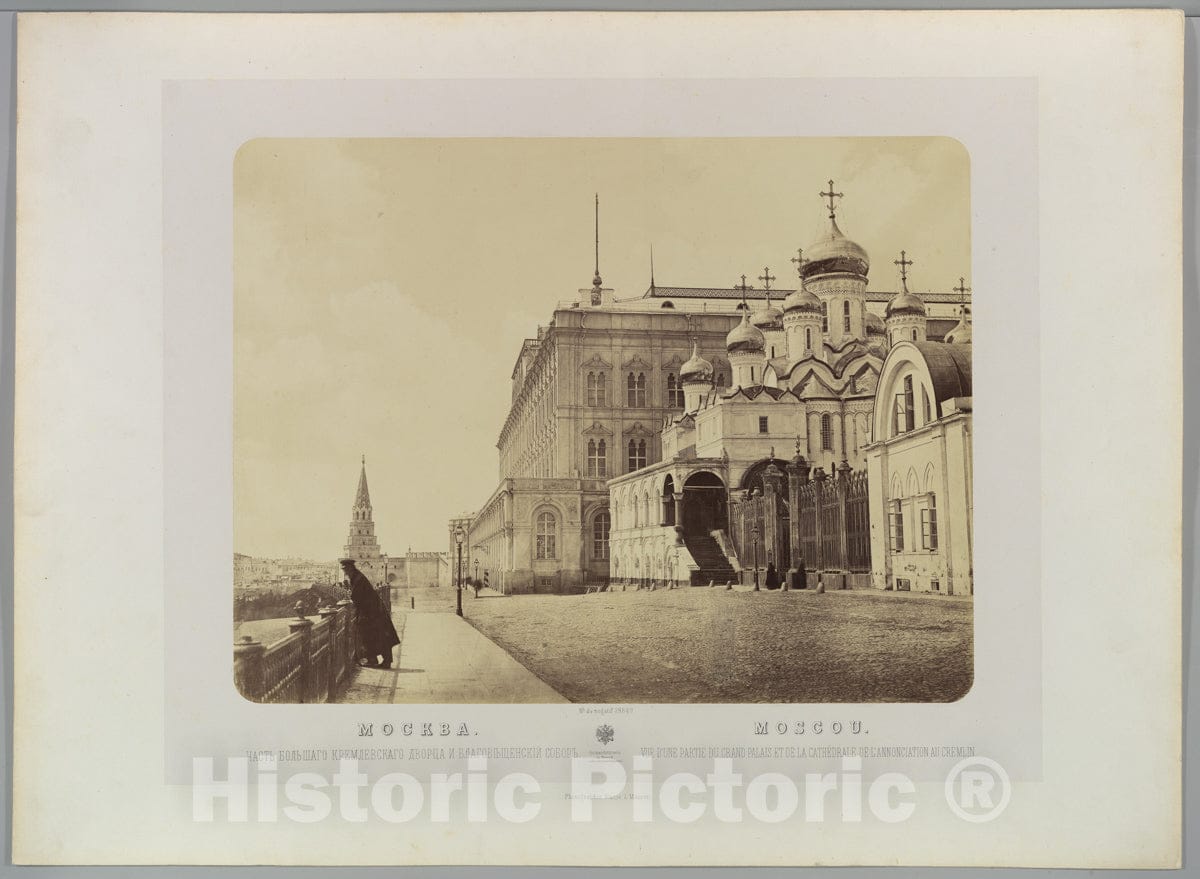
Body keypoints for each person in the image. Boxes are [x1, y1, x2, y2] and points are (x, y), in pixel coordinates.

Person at [339, 558, 400, 669]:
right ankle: (376, 659)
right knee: (379, 635)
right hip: (372, 610)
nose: (344, 571)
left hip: (371, 611)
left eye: (345, 569)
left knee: (374, 634)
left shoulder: (357, 578)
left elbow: (356, 596)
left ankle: (376, 660)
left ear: (350, 568)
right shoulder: (356, 576)